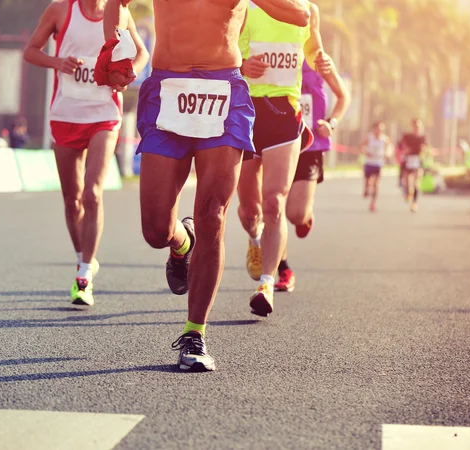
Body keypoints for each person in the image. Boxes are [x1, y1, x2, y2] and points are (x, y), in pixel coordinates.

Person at [99, 0, 311, 371]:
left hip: (224, 90)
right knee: (154, 230)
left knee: (213, 215)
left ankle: (195, 333)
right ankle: (183, 241)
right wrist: (114, 45)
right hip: (168, 86)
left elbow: (300, 14)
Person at [24, 0, 149, 306]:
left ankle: (83, 275)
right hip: (66, 114)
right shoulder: (60, 10)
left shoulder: (119, 11)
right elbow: (31, 51)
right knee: (73, 199)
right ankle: (85, 257)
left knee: (93, 193)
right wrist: (58, 62)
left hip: (104, 113)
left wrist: (127, 72)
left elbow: (143, 52)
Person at [237, 2, 330, 314]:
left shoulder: (306, 9)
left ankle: (266, 283)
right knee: (250, 211)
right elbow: (224, 53)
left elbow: (313, 51)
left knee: (275, 201)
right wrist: (243, 65)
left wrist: (323, 62)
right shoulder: (244, 6)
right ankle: (255, 238)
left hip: (284, 115)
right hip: (247, 113)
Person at [275, 35, 350, 293]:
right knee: (275, 207)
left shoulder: (318, 59)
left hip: (311, 145)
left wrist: (331, 123)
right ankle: (282, 268)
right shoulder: (271, 52)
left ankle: (305, 216)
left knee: (295, 214)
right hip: (277, 140)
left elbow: (343, 97)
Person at [360, 121, 392, 212]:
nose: (379, 131)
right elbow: (361, 146)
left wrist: (387, 153)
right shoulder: (369, 137)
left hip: (378, 163)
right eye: (378, 128)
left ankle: (373, 203)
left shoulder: (385, 139)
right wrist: (366, 152)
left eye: (381, 129)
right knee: (367, 181)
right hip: (369, 163)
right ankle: (366, 188)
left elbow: (389, 148)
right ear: (374, 129)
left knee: (376, 184)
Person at [400, 118, 428, 213]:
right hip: (408, 161)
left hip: (418, 161)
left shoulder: (423, 137)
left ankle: (414, 204)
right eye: (415, 126)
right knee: (407, 183)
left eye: (419, 126)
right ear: (412, 126)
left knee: (416, 183)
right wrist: (405, 150)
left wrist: (424, 150)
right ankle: (408, 193)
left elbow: (426, 148)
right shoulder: (407, 136)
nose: (417, 128)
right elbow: (401, 146)